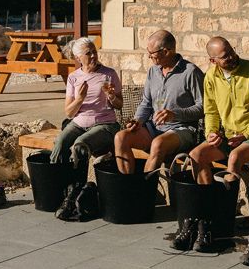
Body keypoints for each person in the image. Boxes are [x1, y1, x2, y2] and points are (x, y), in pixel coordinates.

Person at [113, 30, 204, 175]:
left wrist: (174, 114)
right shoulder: (153, 71)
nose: (149, 56)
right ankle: (128, 188)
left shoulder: (190, 72)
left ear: (167, 51)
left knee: (158, 144)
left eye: (152, 53)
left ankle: (145, 192)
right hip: (154, 128)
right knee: (120, 137)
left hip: (182, 129)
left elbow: (203, 107)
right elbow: (146, 103)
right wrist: (138, 120)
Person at [189, 37, 249, 185]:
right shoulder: (210, 77)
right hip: (228, 136)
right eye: (225, 56)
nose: (231, 57)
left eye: (231, 51)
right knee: (196, 155)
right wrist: (211, 133)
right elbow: (211, 111)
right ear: (213, 61)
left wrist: (247, 133)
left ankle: (226, 204)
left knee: (234, 157)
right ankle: (205, 202)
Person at [50, 37, 123, 171]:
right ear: (78, 58)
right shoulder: (73, 77)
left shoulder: (109, 74)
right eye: (88, 53)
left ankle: (78, 184)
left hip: (104, 124)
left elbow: (119, 105)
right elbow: (69, 113)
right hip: (78, 124)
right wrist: (79, 99)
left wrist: (111, 96)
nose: (94, 55)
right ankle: (56, 180)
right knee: (60, 142)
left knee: (80, 145)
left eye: (94, 51)